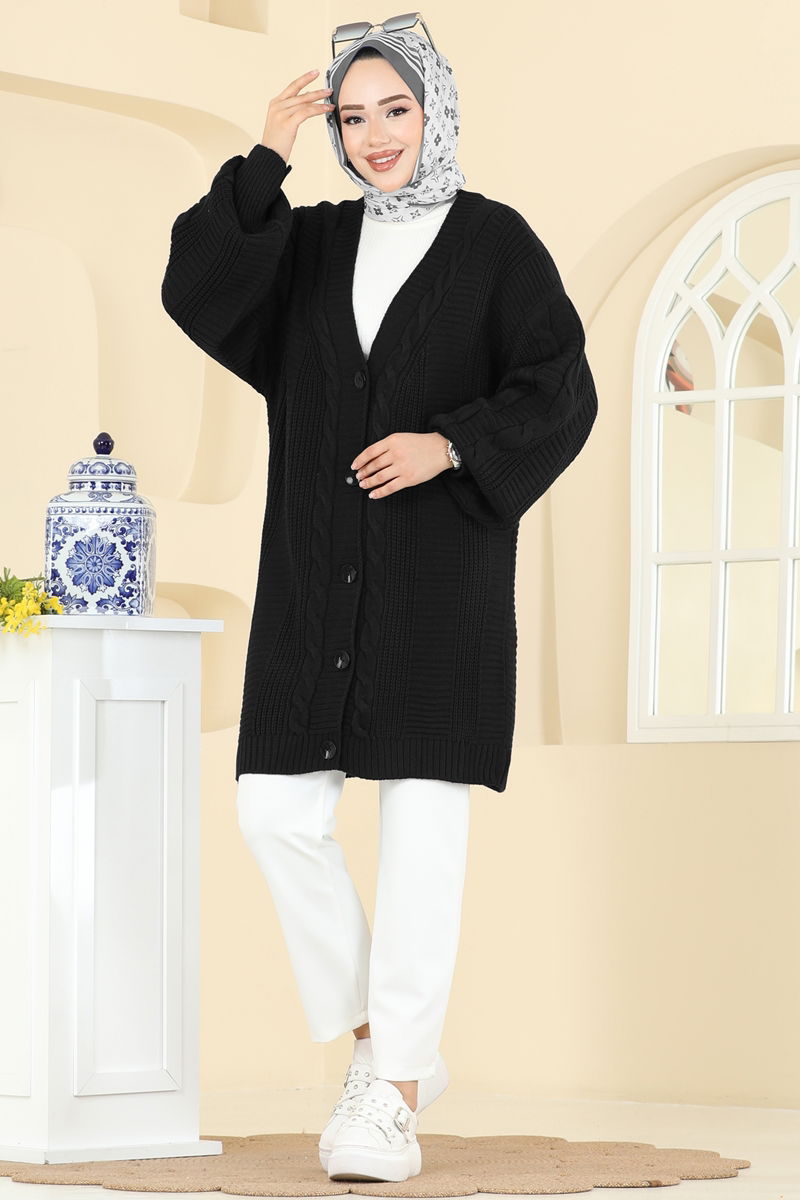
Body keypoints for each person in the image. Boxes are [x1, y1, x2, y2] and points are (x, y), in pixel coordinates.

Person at [160, 16, 598, 1187]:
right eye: (351, 117)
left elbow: (561, 387)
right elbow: (198, 287)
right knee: (272, 812)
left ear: (432, 107)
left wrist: (450, 446)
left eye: (392, 109)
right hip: (314, 578)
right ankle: (382, 1047)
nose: (373, 135)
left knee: (420, 836)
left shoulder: (495, 244)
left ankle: (390, 1099)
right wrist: (265, 154)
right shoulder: (308, 245)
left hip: (437, 586)